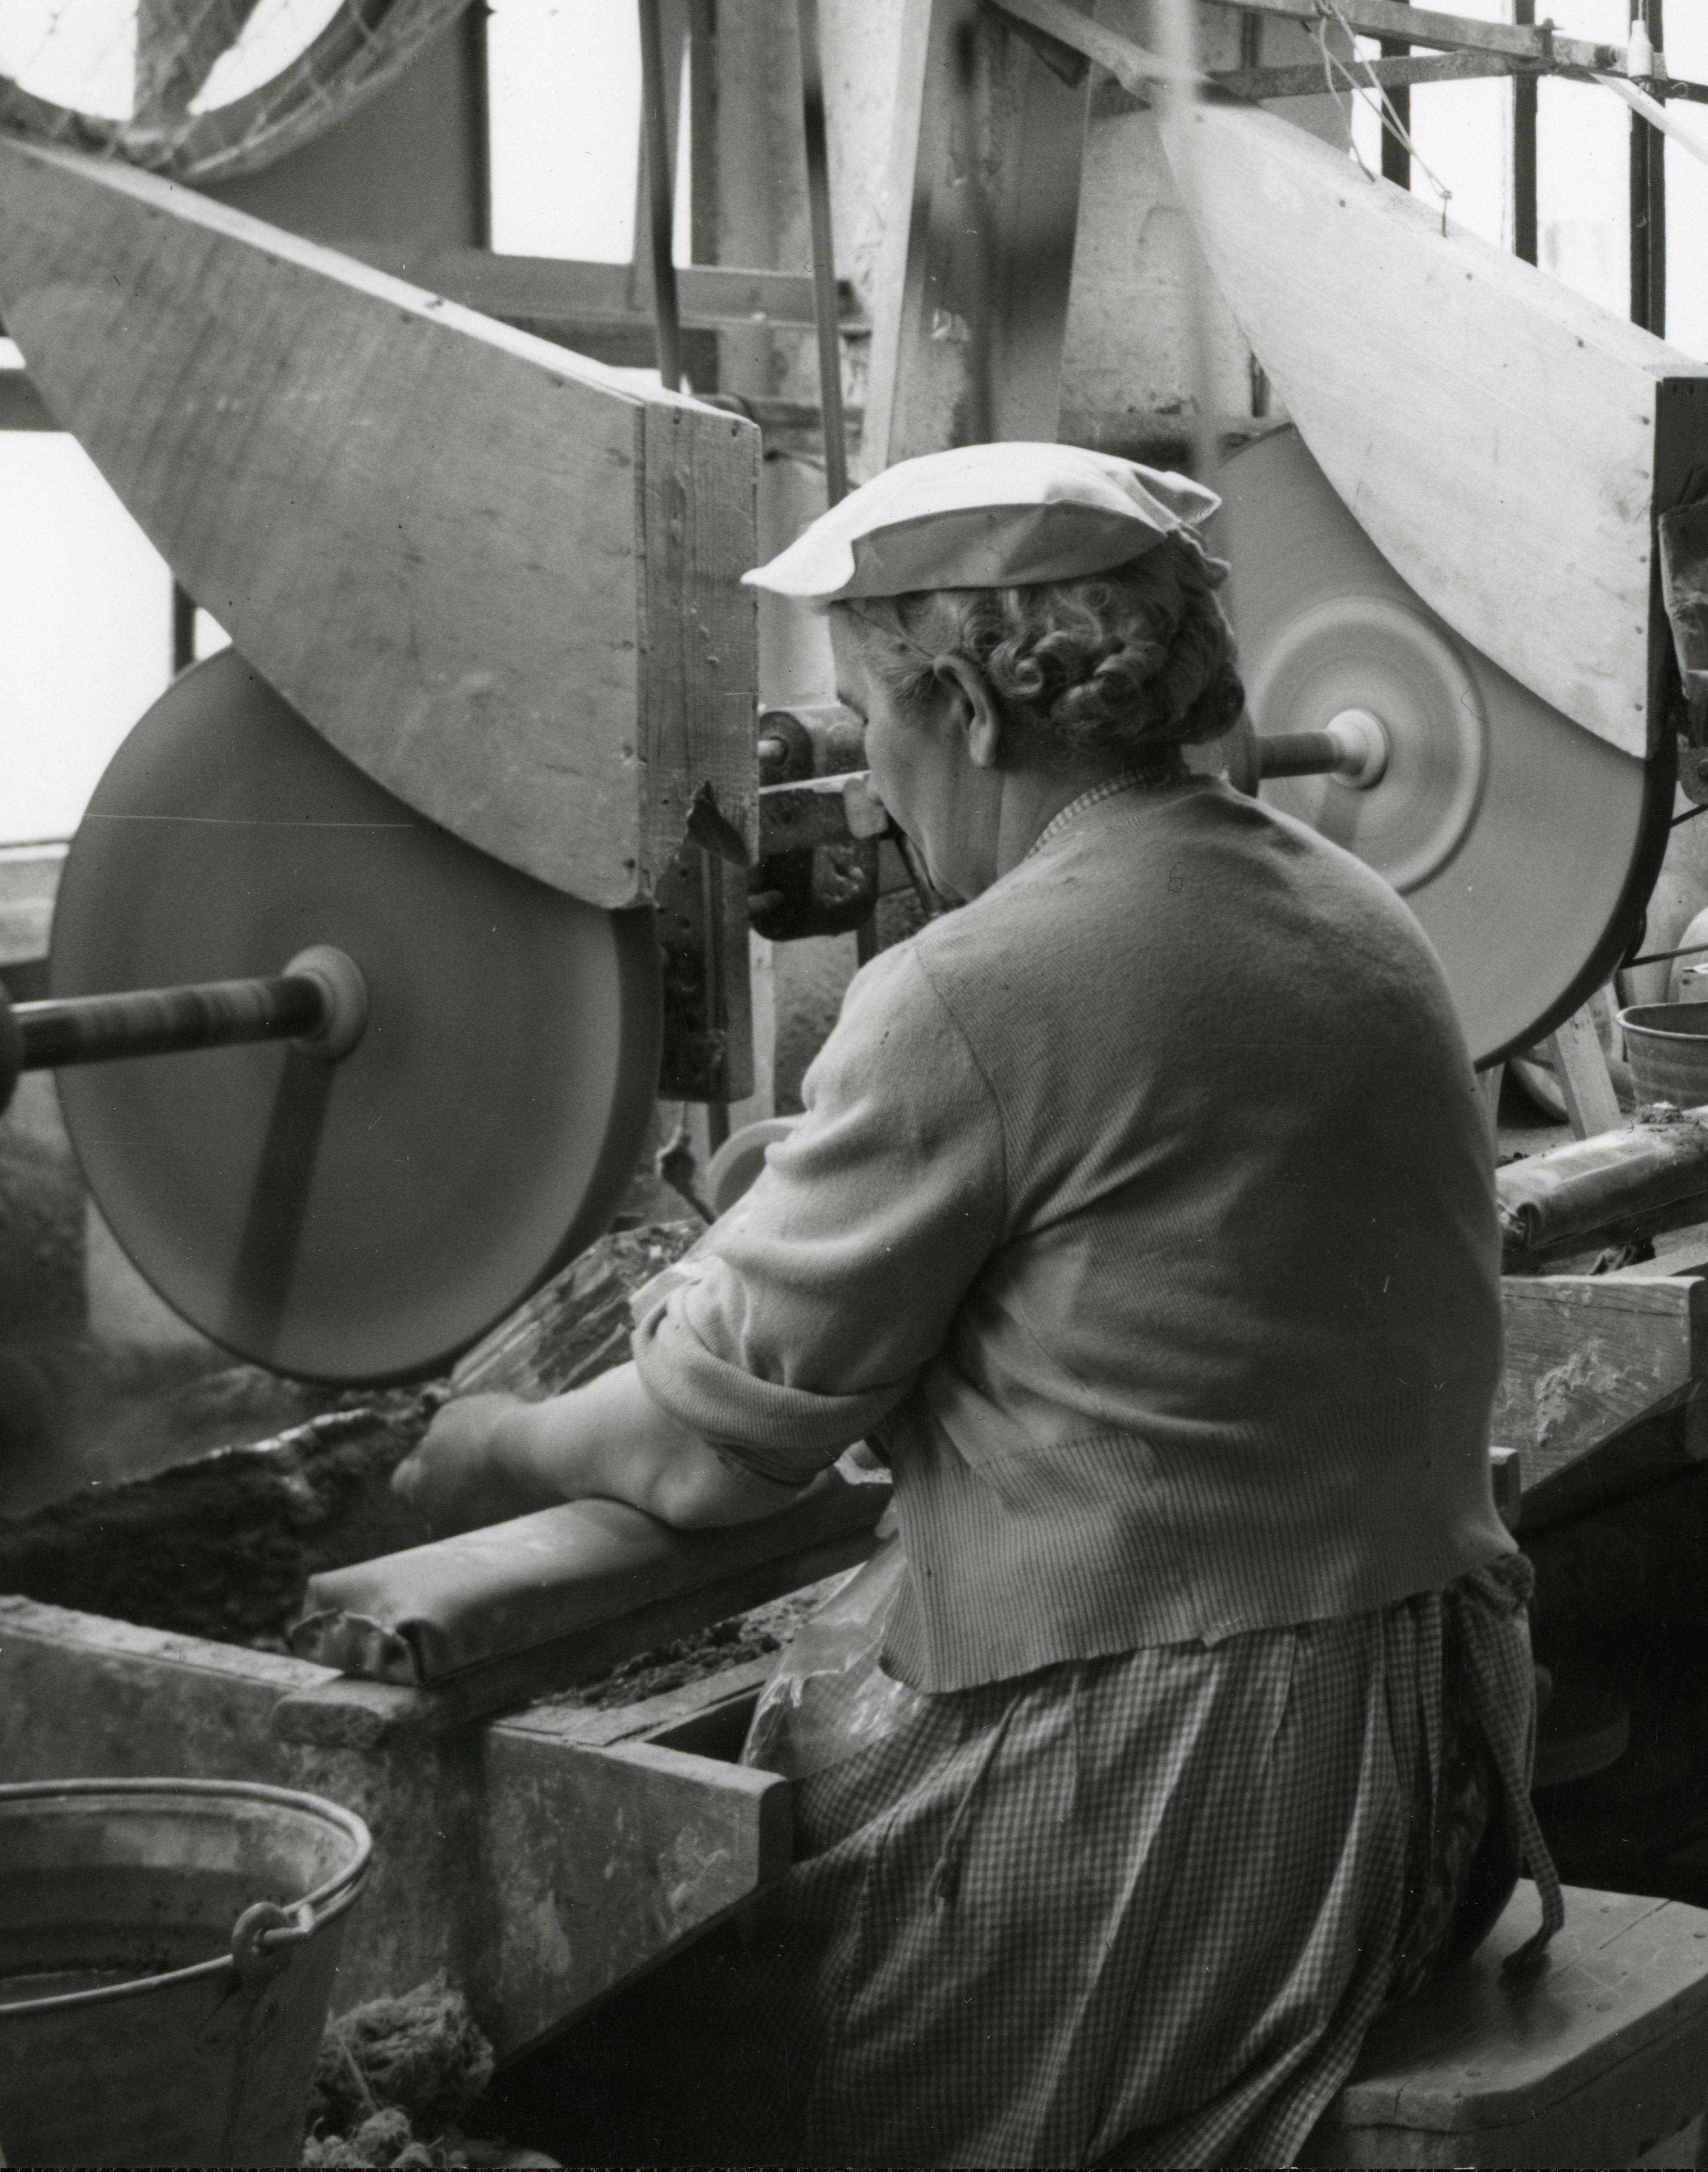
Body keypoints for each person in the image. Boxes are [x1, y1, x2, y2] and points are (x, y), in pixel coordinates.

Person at [392, 443, 1551, 2167]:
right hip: (1427, 1760)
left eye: (872, 711)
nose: (865, 780)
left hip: (1186, 1797)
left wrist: (485, 1443)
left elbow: (713, 1462)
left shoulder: (965, 990)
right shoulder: (1352, 908)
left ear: (974, 707)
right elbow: (1142, 1193)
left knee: (657, 2056)